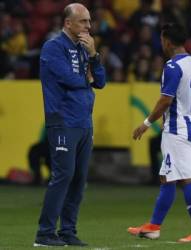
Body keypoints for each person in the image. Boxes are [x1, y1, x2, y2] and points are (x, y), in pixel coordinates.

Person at [127, 23, 191, 242]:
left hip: (177, 130)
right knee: (168, 177)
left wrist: (146, 123)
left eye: (162, 39)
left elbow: (166, 100)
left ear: (167, 41)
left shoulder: (173, 66)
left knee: (185, 179)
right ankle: (153, 226)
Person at [34, 3, 106, 247]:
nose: (88, 26)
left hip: (84, 121)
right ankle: (44, 233)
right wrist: (87, 78)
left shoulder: (86, 48)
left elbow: (101, 82)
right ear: (68, 23)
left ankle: (67, 231)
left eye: (89, 21)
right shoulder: (53, 47)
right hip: (63, 120)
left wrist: (94, 56)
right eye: (83, 21)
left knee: (79, 178)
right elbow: (70, 79)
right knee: (63, 175)